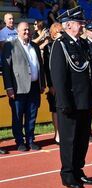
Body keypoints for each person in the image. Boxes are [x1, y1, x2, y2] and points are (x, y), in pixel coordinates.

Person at [50, 6, 92, 188]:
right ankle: (68, 174)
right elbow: (59, 77)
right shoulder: (60, 44)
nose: (82, 25)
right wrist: (63, 102)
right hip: (70, 102)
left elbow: (88, 73)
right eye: (80, 22)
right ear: (68, 25)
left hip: (84, 100)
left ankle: (79, 170)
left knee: (82, 139)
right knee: (69, 140)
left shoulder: (82, 43)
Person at [1, 22, 45, 151]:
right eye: (24, 30)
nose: (27, 32)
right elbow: (6, 68)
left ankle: (30, 140)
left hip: (34, 87)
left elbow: (40, 66)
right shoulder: (10, 45)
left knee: (32, 116)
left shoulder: (35, 46)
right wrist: (9, 88)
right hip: (18, 88)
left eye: (28, 29)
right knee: (18, 117)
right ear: (18, 31)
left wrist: (42, 83)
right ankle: (20, 142)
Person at [43, 22, 63, 144]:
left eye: (61, 32)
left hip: (66, 84)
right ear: (52, 34)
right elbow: (47, 68)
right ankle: (57, 134)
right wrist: (50, 85)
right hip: (54, 84)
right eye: (58, 32)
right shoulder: (48, 48)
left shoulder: (66, 45)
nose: (60, 35)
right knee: (55, 110)